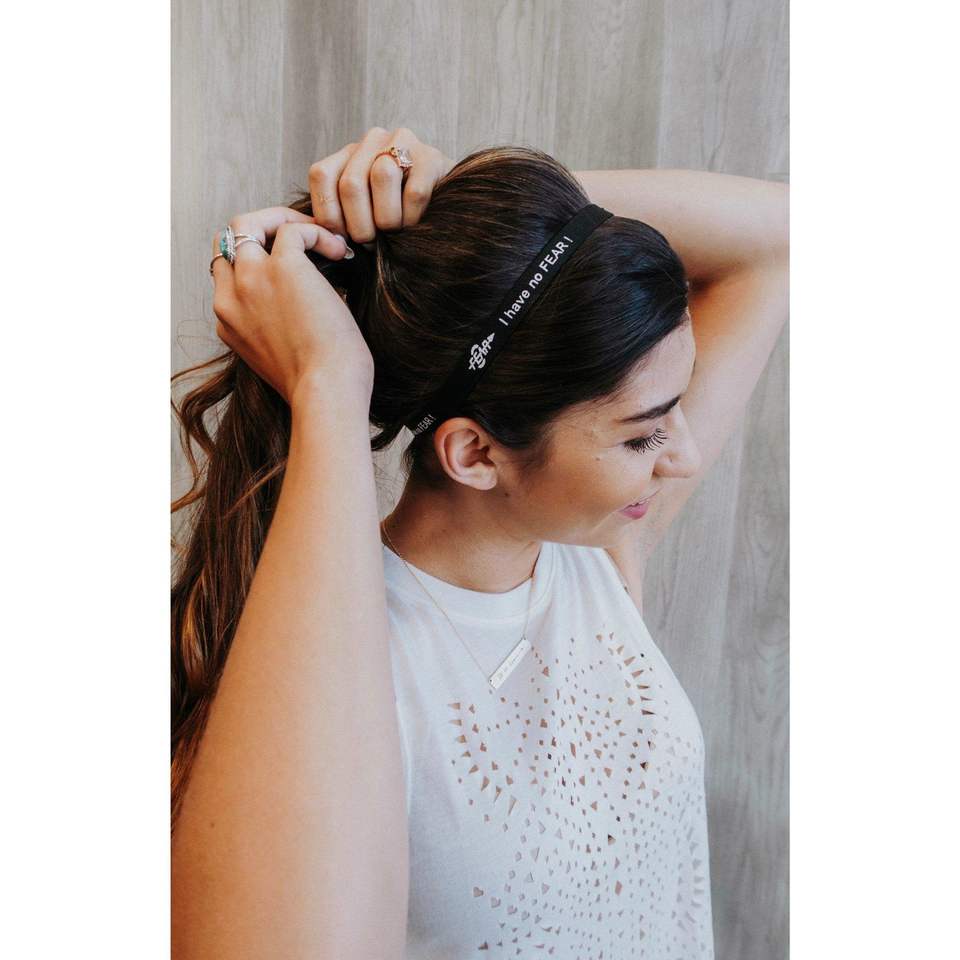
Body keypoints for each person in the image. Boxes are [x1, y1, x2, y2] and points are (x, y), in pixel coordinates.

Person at [171, 126, 788, 958]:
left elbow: (780, 236)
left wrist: (462, 208)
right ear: (475, 454)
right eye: (642, 434)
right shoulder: (331, 680)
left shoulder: (594, 560)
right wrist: (328, 384)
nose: (681, 457)